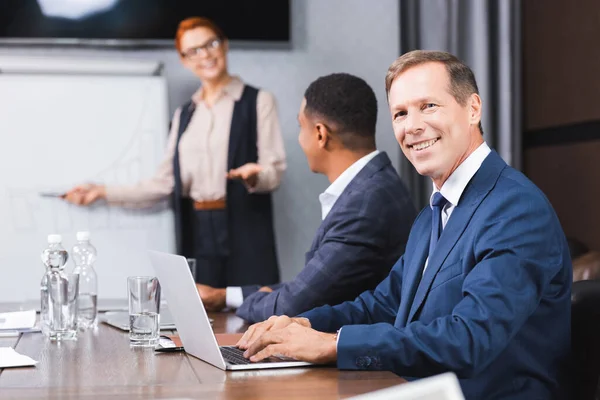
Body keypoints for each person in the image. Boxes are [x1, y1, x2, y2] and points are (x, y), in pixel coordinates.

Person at [235, 51, 571, 399]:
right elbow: (384, 304)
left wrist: (333, 344)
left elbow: (470, 338)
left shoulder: (515, 207)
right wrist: (304, 324)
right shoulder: (433, 213)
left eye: (428, 106)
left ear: (473, 109)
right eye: (400, 113)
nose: (412, 126)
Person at [63, 17, 286, 288]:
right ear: (184, 60)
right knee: (202, 313)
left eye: (211, 44)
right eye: (194, 51)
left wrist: (255, 177)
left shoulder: (258, 101)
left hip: (246, 228)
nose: (205, 55)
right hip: (197, 230)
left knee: (254, 311)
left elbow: (273, 172)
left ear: (224, 45)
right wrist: (102, 191)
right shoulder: (184, 114)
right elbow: (164, 183)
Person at [196, 73, 417, 322]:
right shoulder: (373, 186)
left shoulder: (366, 204)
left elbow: (292, 305)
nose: (301, 138)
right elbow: (310, 285)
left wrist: (255, 301)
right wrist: (225, 296)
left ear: (321, 134)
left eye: (302, 126)